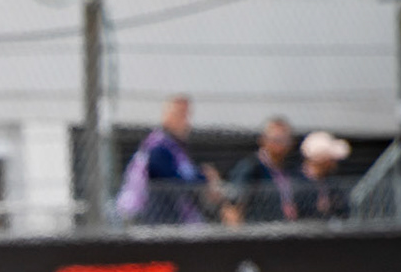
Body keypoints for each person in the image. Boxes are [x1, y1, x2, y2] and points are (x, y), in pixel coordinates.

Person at [117, 95, 221, 224]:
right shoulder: (158, 147)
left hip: (171, 219)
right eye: (180, 115)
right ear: (167, 116)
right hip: (155, 219)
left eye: (187, 115)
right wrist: (205, 178)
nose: (186, 121)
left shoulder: (176, 148)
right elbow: (176, 179)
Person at [221, 116, 299, 224]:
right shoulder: (251, 167)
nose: (280, 145)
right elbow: (232, 206)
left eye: (284, 140)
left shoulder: (291, 170)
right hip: (259, 230)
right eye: (275, 139)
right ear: (263, 140)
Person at [294, 129, 352, 220]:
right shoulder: (297, 182)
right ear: (321, 160)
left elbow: (344, 210)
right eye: (331, 159)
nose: (335, 163)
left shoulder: (331, 182)